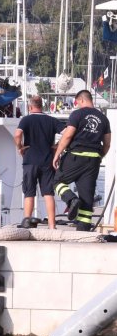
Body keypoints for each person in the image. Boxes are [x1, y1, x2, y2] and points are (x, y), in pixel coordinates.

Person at [52, 90, 112, 231]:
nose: (76, 105)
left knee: (58, 181)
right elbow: (107, 143)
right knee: (87, 197)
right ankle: (83, 232)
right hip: (93, 161)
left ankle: (71, 200)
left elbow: (67, 136)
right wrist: (99, 156)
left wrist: (57, 154)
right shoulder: (103, 118)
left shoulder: (77, 114)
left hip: (76, 156)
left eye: (77, 103)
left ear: (82, 100)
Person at [14, 95, 63, 229]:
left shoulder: (26, 120)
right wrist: (57, 146)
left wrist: (20, 147)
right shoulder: (52, 120)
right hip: (47, 160)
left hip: (30, 160)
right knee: (48, 193)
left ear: (30, 107)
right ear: (42, 106)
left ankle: (27, 224)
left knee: (29, 193)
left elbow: (17, 135)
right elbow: (67, 133)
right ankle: (52, 226)